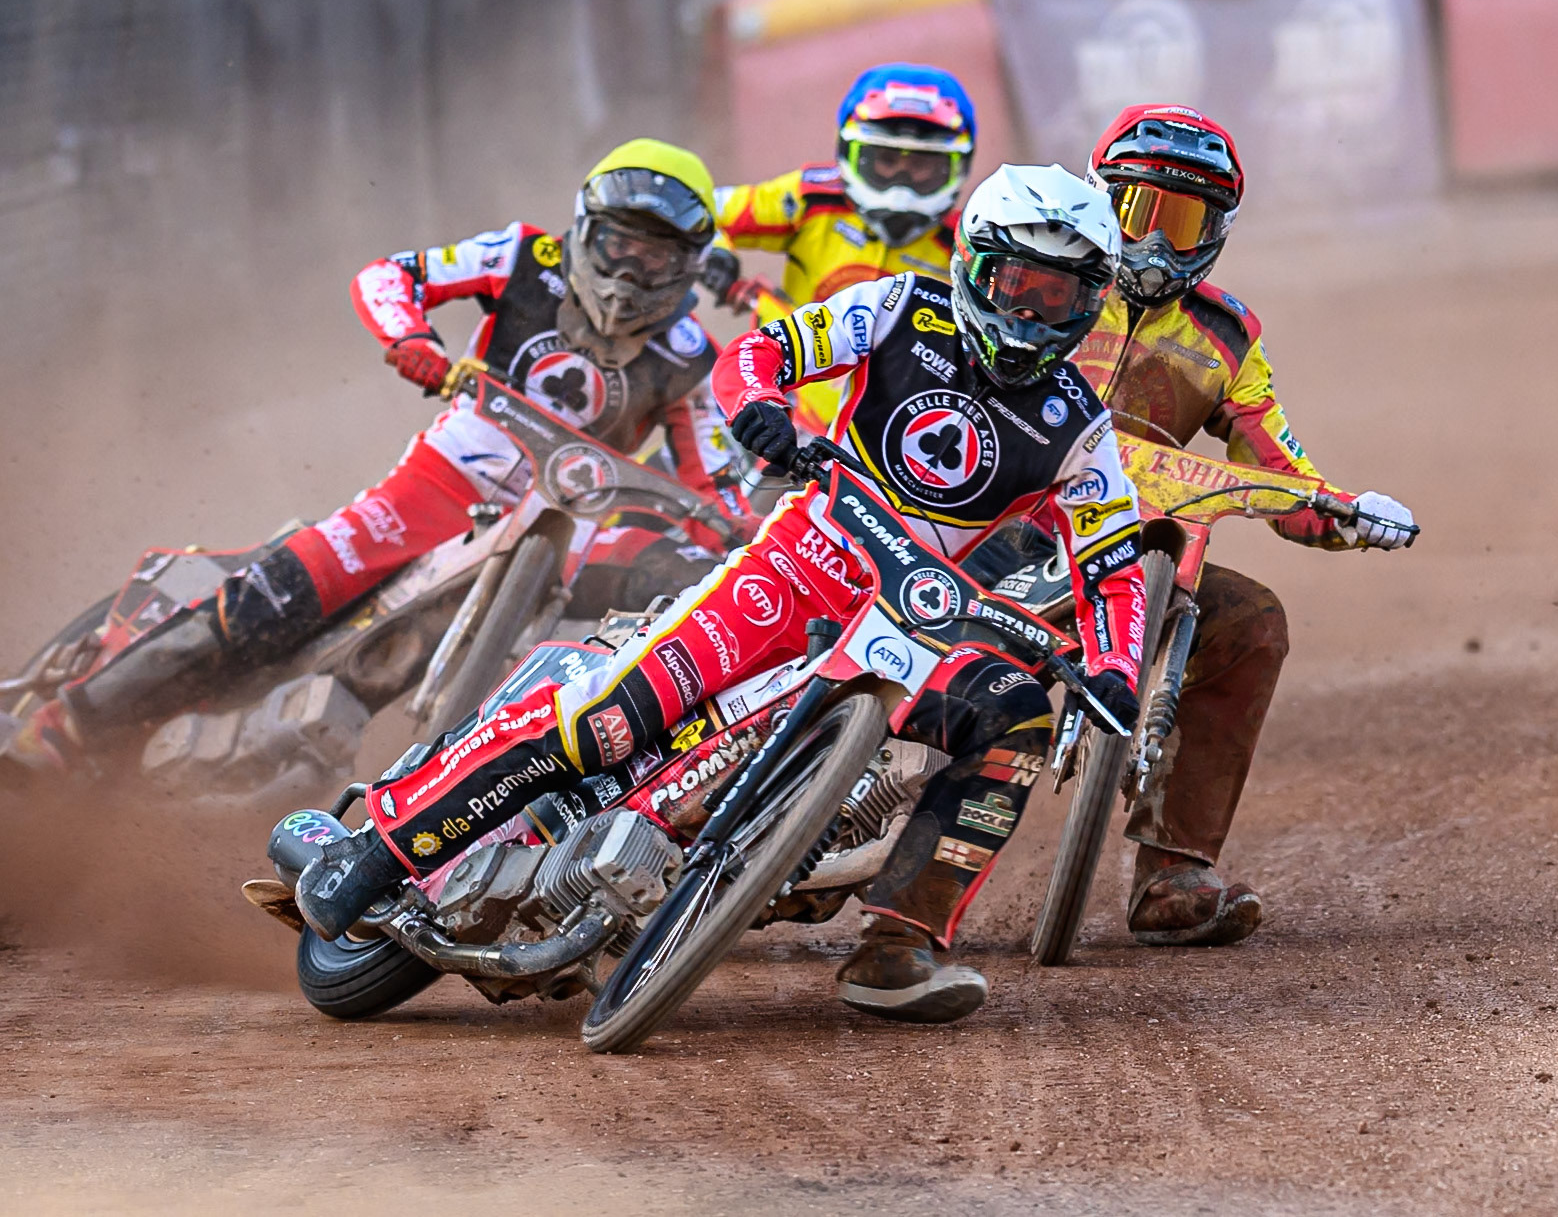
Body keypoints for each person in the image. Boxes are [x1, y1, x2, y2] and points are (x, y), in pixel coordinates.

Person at [295, 164, 1148, 1025]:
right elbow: (762, 353)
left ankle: (899, 946)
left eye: (1060, 296)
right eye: (1018, 284)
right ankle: (381, 847)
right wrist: (759, 410)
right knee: (605, 720)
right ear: (974, 263)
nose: (1032, 314)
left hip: (918, 627)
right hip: (794, 567)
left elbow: (1113, 564)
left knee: (1017, 713)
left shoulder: (1083, 426)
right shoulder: (897, 307)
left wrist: (1114, 663)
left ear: (1091, 306)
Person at [11, 139, 748, 771]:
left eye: (655, 257)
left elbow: (714, 491)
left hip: (563, 528)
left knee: (660, 588)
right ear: (589, 230)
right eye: (621, 245)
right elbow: (391, 276)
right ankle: (70, 726)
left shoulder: (692, 359)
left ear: (688, 266)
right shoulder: (525, 256)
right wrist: (412, 341)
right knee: (288, 589)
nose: (630, 273)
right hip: (449, 478)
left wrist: (742, 536)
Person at [1077, 104, 1417, 946]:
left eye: (1181, 220)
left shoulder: (1226, 341)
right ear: (1096, 199)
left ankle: (1172, 870)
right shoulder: (1044, 268)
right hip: (995, 526)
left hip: (1130, 548)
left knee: (1251, 622)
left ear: (1216, 233)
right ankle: (809, 828)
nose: (1154, 242)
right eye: (1136, 212)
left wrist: (1350, 514)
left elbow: (1280, 470)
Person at [711, 62, 976, 433]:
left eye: (921, 165)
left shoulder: (968, 247)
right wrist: (717, 253)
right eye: (886, 160)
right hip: (779, 396)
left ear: (957, 165)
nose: (901, 181)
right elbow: (703, 209)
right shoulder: (810, 198)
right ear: (849, 151)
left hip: (894, 430)